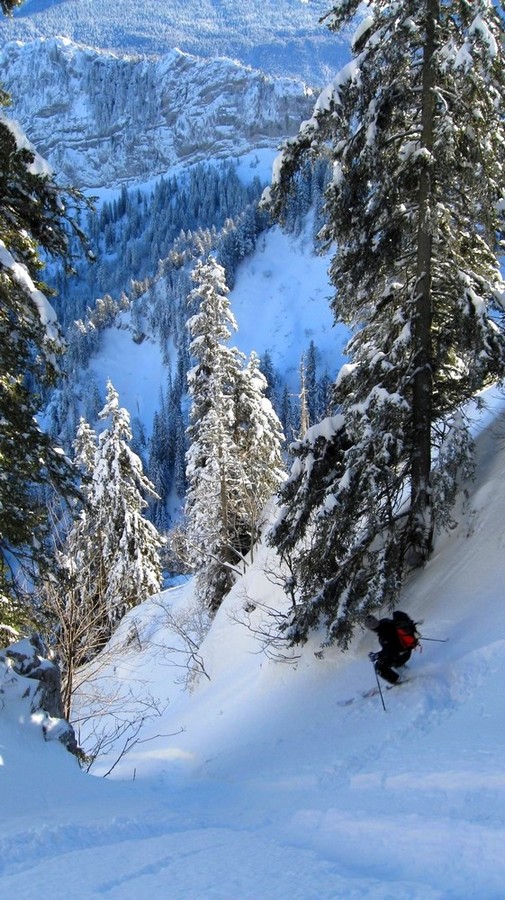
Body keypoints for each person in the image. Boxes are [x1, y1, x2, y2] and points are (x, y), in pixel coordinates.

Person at [364, 610, 418, 685]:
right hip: (405, 650)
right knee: (388, 658)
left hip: (403, 653)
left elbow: (390, 650)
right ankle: (406, 672)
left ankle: (397, 680)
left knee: (379, 666)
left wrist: (377, 655)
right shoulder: (385, 622)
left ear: (371, 629)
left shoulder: (383, 634)